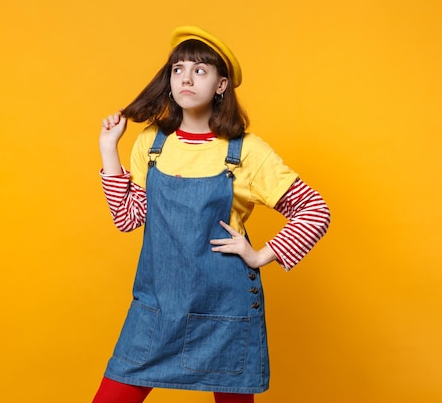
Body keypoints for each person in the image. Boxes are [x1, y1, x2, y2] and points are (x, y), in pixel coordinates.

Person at [93, 26, 331, 403]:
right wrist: (110, 150)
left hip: (225, 310)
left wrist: (260, 255)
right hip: (157, 309)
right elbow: (128, 219)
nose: (186, 78)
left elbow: (313, 210)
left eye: (200, 71)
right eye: (178, 69)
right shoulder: (151, 144)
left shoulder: (248, 152)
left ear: (221, 85)